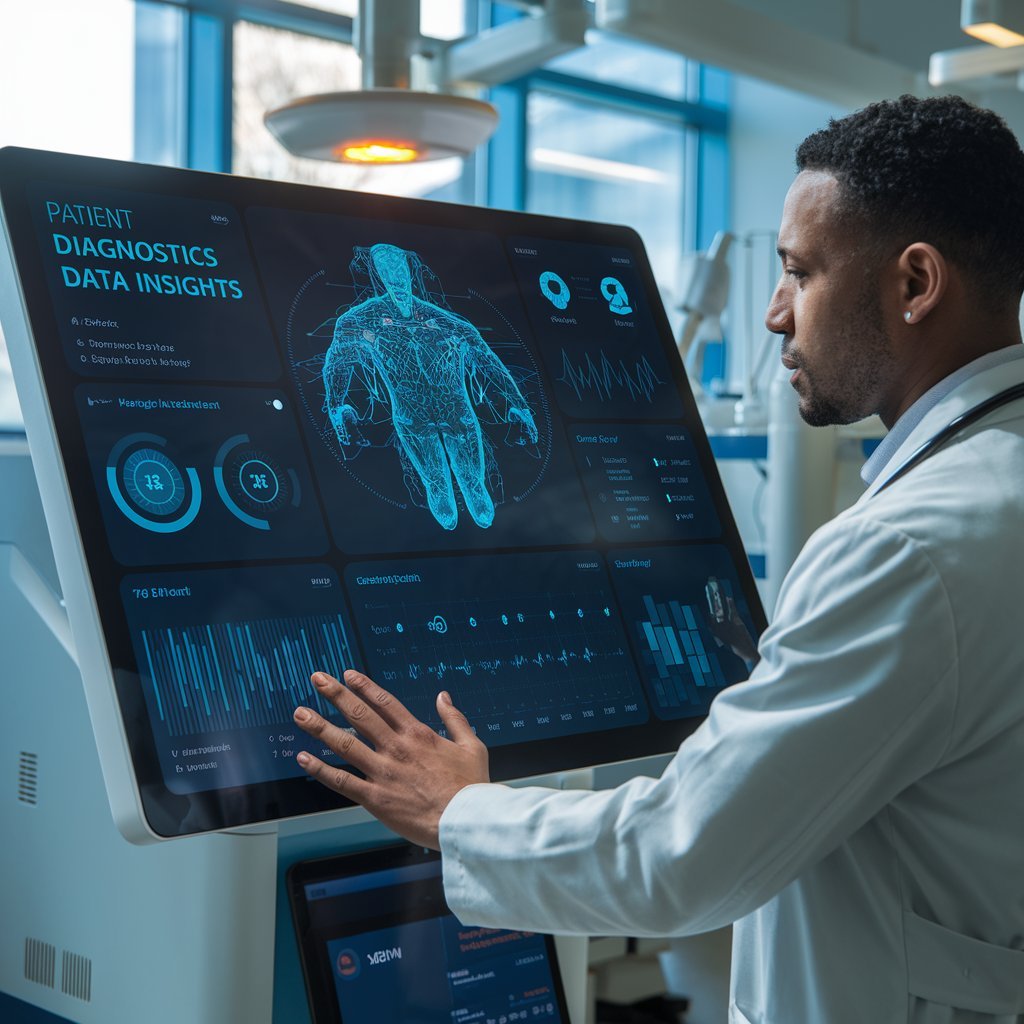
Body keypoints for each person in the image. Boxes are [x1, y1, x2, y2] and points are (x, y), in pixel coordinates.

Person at [292, 95, 1024, 1023]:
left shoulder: (905, 550)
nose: (772, 313)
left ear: (915, 283)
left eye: (800, 272)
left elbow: (681, 856)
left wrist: (455, 812)